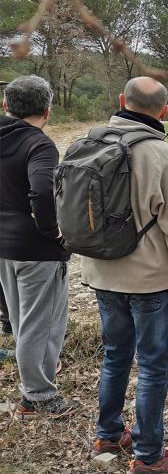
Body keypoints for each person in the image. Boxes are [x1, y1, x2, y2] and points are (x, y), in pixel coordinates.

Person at [82, 77, 168, 474]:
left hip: (102, 273)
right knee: (153, 366)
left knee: (115, 354)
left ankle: (106, 436)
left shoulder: (88, 143)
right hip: (151, 281)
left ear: (121, 102)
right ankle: (149, 457)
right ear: (164, 112)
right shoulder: (160, 153)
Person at [0, 75, 77, 418]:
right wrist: (52, 231)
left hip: (3, 245)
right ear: (48, 110)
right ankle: (38, 396)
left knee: (20, 320)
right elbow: (43, 191)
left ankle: (38, 376)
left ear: (6, 106)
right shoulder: (39, 145)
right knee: (40, 323)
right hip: (35, 248)